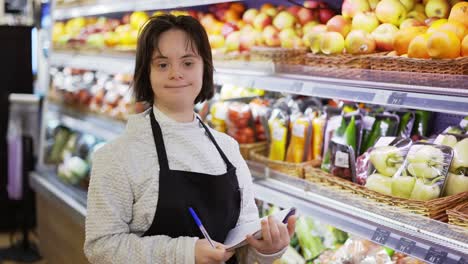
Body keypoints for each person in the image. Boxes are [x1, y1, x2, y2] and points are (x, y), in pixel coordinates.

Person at [84, 14, 296, 264]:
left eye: (188, 63)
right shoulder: (116, 157)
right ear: (146, 73)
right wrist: (184, 253)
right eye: (162, 65)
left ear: (204, 67)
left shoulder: (227, 149)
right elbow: (100, 247)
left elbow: (243, 245)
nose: (176, 73)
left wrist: (266, 249)